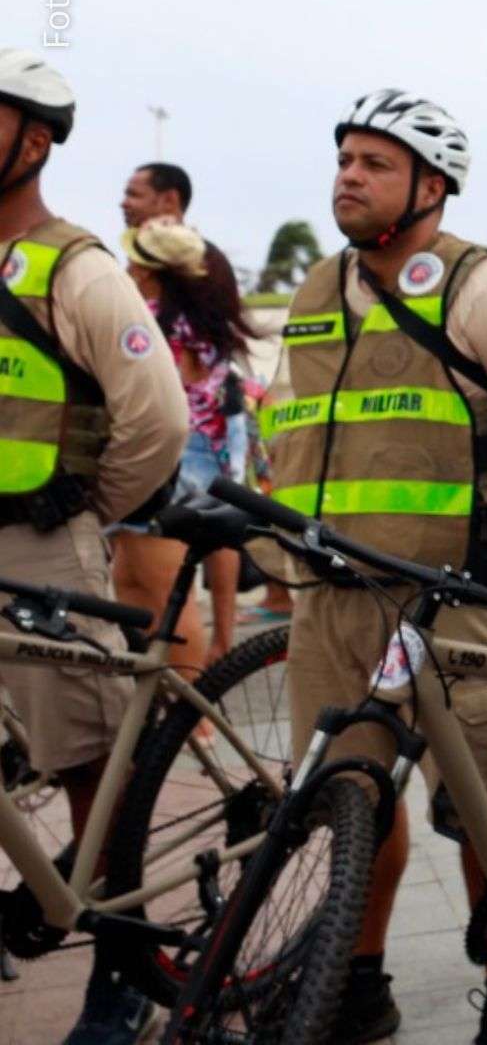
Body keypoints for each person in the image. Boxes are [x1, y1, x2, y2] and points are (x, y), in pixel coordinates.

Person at [264, 90, 487, 1045]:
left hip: (449, 600)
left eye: (375, 163)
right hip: (334, 594)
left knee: (481, 801)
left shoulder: (485, 291)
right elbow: (294, 423)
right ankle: (358, 982)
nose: (349, 177)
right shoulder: (316, 291)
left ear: (432, 186)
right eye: (345, 159)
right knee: (350, 799)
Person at [0, 52, 186, 1045]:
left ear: (35, 141)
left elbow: (156, 418)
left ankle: (123, 969)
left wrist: (80, 513)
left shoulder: (76, 267)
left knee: (91, 765)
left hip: (40, 547)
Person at [114, 219, 255, 683]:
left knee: (156, 590)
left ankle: (194, 711)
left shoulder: (146, 320)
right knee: (141, 583)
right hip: (198, 456)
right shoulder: (199, 325)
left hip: (159, 461)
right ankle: (173, 698)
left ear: (148, 270)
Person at [119, 160, 191, 230]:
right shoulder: (137, 236)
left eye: (134, 195)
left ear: (169, 200)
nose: (123, 204)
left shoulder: (184, 238)